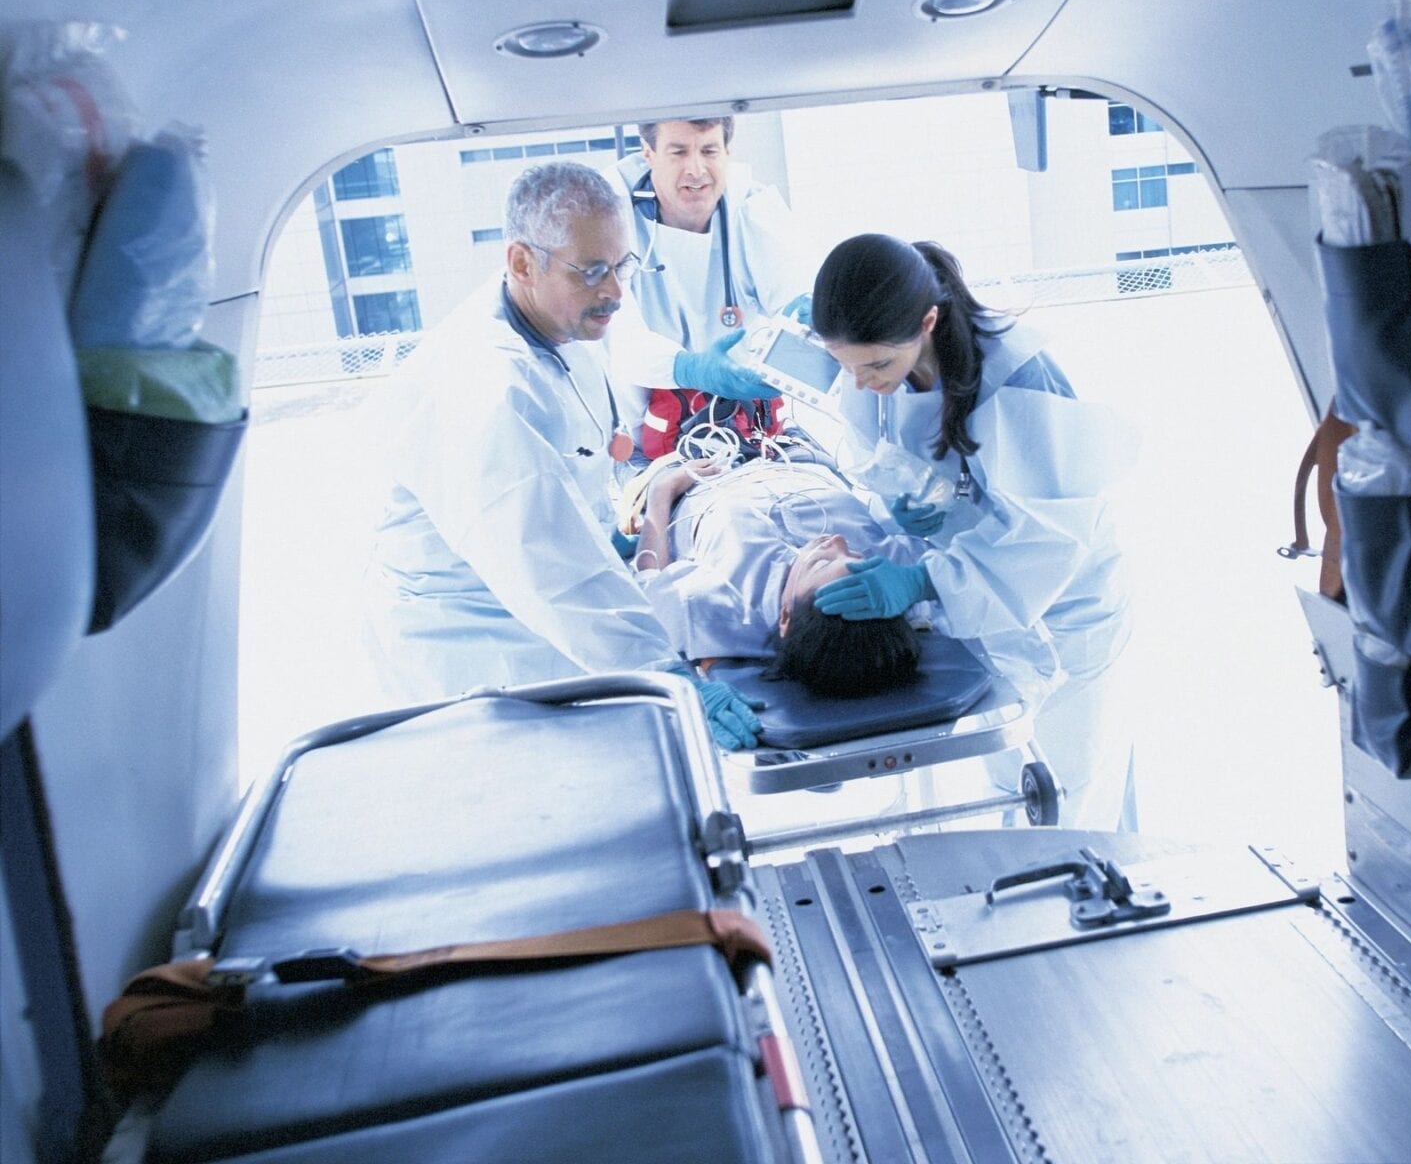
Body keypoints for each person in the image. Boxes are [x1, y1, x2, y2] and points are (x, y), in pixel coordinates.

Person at [363, 161, 761, 747]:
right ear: (522, 262)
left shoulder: (558, 318)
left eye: (623, 266)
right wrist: (669, 677)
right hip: (471, 639)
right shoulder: (486, 388)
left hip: (542, 605)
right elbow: (552, 567)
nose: (616, 292)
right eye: (593, 271)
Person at [808, 234, 1137, 830]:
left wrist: (922, 578)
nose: (862, 382)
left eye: (876, 365)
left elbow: (1048, 537)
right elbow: (876, 450)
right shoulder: (878, 368)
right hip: (987, 612)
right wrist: (902, 504)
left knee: (1068, 800)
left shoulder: (1021, 378)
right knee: (1009, 783)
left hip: (1066, 612)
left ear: (928, 321)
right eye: (845, 366)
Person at [619, 454, 926, 698]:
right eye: (857, 555)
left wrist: (663, 492)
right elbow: (959, 566)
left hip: (687, 471)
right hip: (805, 456)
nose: (837, 542)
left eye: (819, 563)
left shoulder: (714, 608)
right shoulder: (892, 578)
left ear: (785, 616)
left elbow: (650, 579)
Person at [604, 116, 819, 460]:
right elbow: (614, 339)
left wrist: (810, 317)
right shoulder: (609, 214)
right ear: (648, 152)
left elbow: (798, 295)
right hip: (648, 445)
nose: (696, 169)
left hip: (751, 432)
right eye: (678, 152)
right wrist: (693, 369)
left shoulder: (752, 204)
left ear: (728, 152)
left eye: (709, 151)